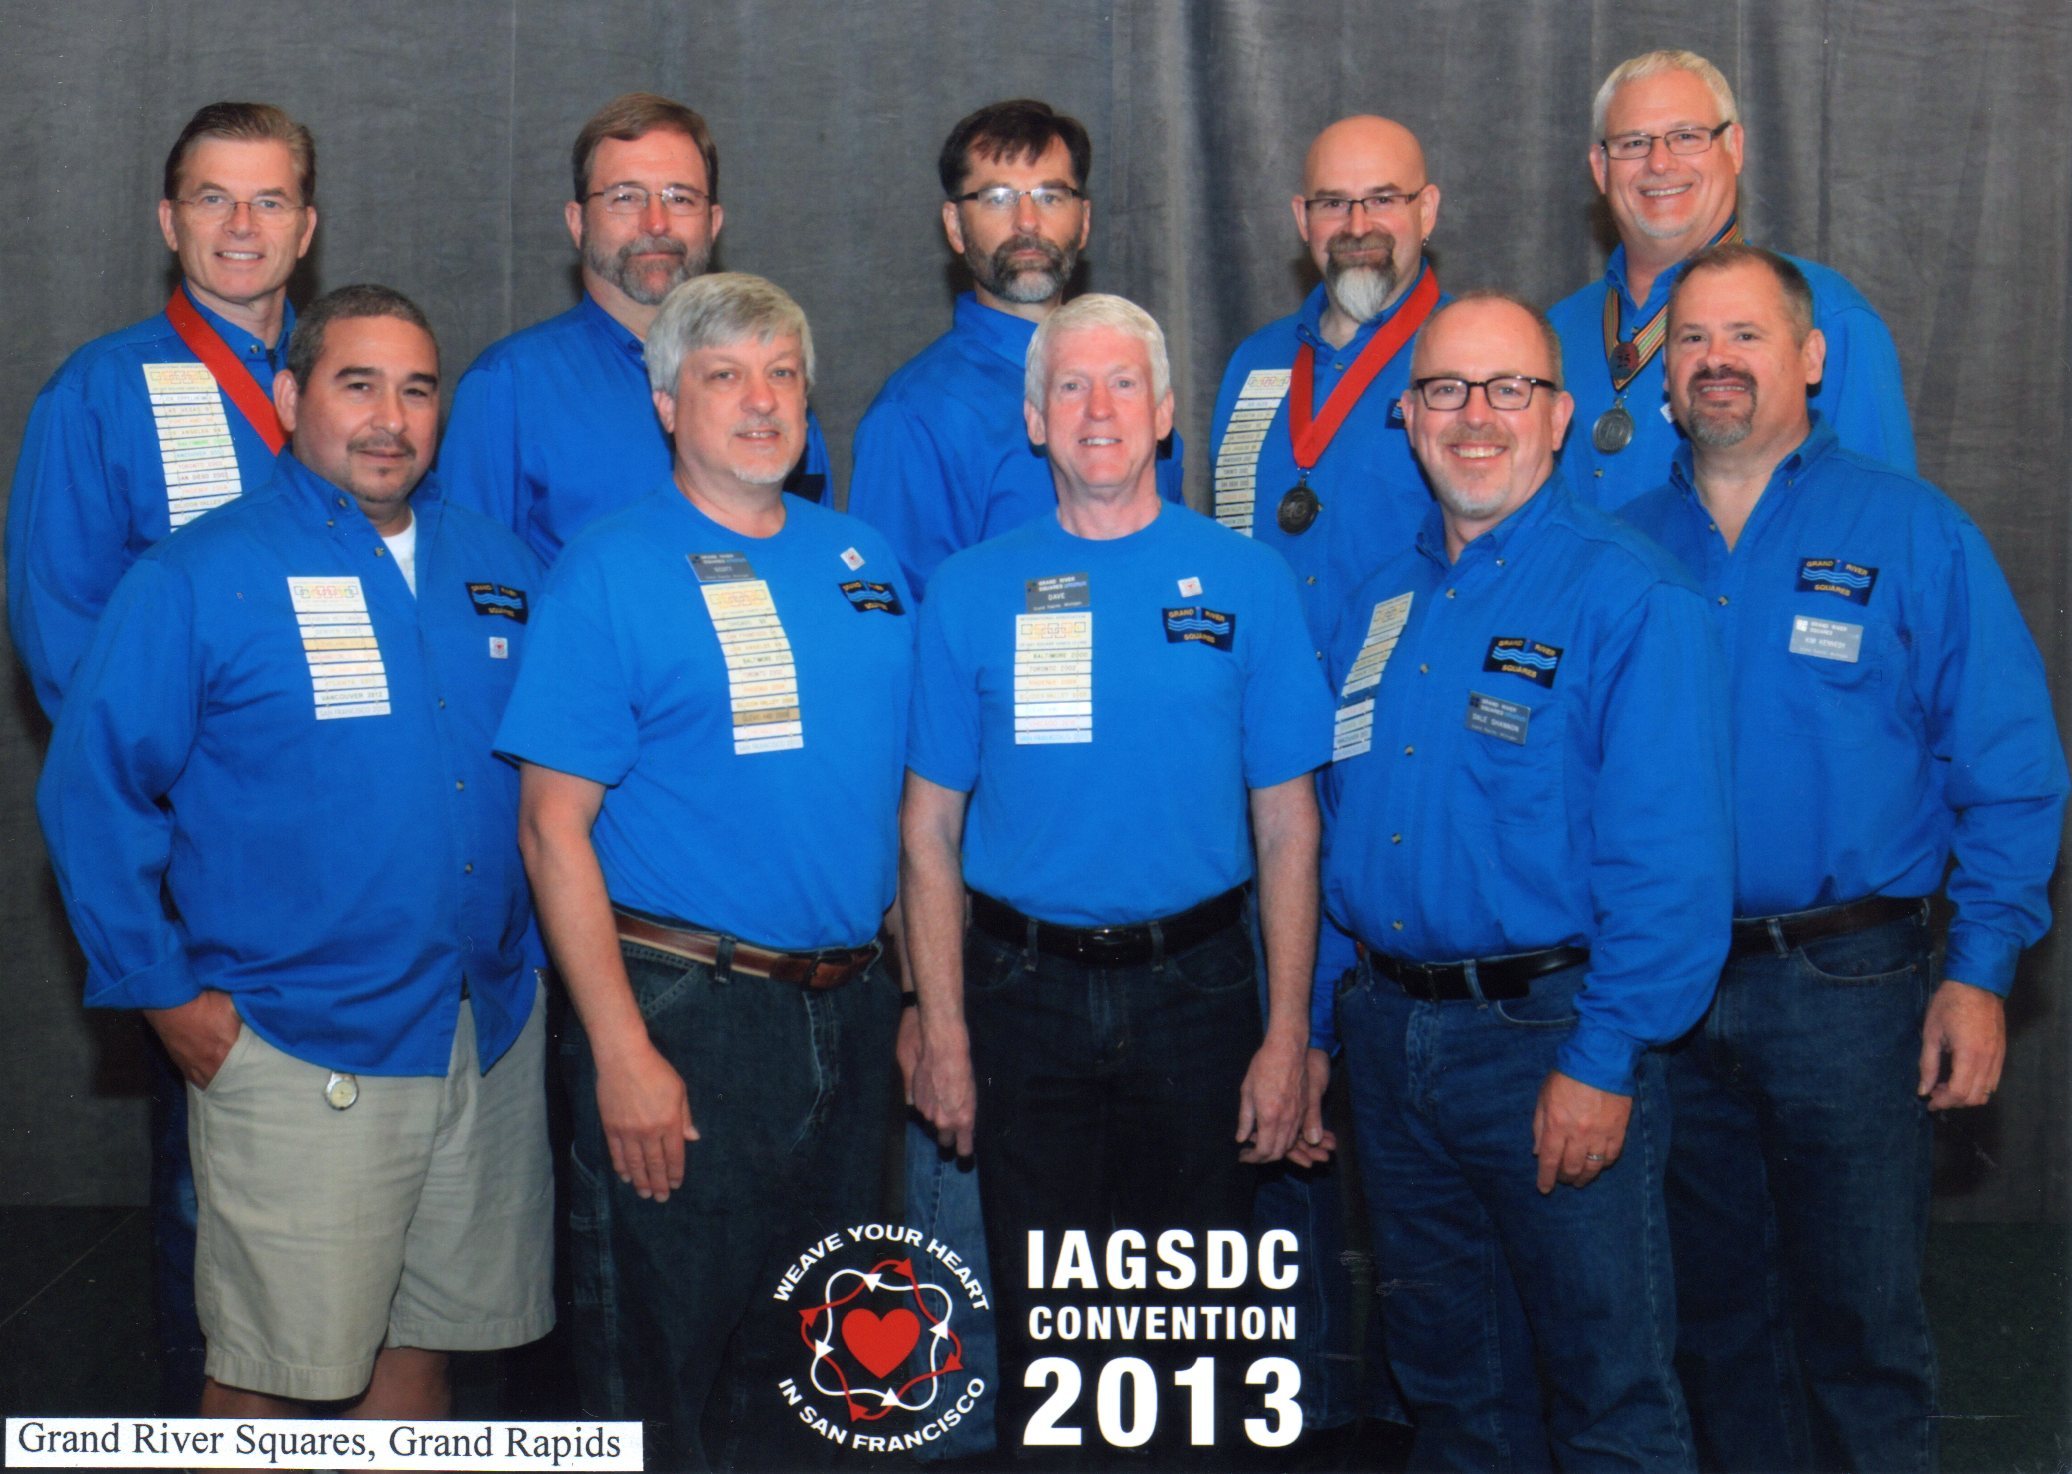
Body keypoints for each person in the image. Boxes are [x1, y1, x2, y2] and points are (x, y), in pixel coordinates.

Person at [35, 284, 552, 1419]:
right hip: (301, 1047)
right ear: (286, 398)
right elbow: (89, 791)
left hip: (482, 1037)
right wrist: (164, 994)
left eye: (416, 389)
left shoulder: (499, 565)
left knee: (421, 1358)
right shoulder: (194, 576)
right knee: (265, 1382)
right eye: (356, 385)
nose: (390, 418)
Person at [1621, 244, 2068, 1473]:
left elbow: (2010, 769)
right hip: (1664, 990)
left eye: (1745, 335)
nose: (1715, 360)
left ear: (1810, 358)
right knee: (1712, 1328)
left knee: (1860, 1326)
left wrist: (1977, 972)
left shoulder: (1909, 531)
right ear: (1663, 371)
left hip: (1850, 989)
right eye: (1690, 337)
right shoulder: (1618, 550)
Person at [903, 293, 1334, 1462]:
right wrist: (940, 1025)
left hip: (1198, 993)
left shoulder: (1245, 579)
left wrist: (1286, 1033)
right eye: (1071, 386)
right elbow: (927, 828)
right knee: (1046, 1334)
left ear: (1164, 411)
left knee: (1196, 1339)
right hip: (1020, 995)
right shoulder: (969, 589)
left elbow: (1288, 824)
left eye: (1122, 383)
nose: (1098, 408)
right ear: (1034, 419)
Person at [497, 273, 910, 1471]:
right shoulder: (610, 567)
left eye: (782, 374)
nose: (761, 401)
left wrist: (915, 1000)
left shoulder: (865, 559)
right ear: (668, 404)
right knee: (663, 1378)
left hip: (849, 1008)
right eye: (725, 377)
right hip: (686, 1013)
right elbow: (550, 830)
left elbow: (899, 802)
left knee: (829, 1378)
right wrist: (620, 1051)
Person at [1319, 291, 1733, 1469]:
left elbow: (1670, 865)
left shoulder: (1629, 594)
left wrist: (1601, 1061)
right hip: (1389, 1041)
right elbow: (1342, 827)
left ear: (1557, 417)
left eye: (1509, 389)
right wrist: (1318, 1031)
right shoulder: (1379, 602)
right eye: (1445, 390)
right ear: (1407, 417)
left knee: (1609, 1397)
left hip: (1548, 1040)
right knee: (1454, 1395)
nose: (1475, 416)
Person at [5, 100, 319, 1408]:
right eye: (212, 198)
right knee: (218, 1195)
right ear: (167, 219)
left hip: (355, 857)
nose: (240, 225)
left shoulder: (355, 383)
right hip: (201, 860)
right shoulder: (102, 391)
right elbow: (65, 648)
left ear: (306, 226)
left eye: (267, 200)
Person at [440, 93, 831, 565]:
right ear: (578, 222)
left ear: (714, 223)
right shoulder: (509, 387)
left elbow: (814, 562)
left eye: (680, 198)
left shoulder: (770, 388)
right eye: (626, 197)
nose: (656, 223)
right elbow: (471, 580)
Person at [1549, 49, 1913, 509]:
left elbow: (1882, 521)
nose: (1659, 163)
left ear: (1735, 148)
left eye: (1686, 136)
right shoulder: (1555, 331)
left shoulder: (1828, 313)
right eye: (1633, 142)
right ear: (1601, 168)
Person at [847, 98, 1183, 595]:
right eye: (998, 197)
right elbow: (907, 623)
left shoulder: (1134, 387)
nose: (1027, 221)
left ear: (1084, 220)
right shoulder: (915, 416)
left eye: (1050, 196)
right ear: (955, 226)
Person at [1208, 113, 1444, 649]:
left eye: (1382, 199)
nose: (1357, 227)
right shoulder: (1253, 362)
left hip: (1405, 687)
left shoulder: (1468, 359)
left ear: (1426, 209)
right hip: (1266, 685)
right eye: (1333, 203)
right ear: (1302, 218)